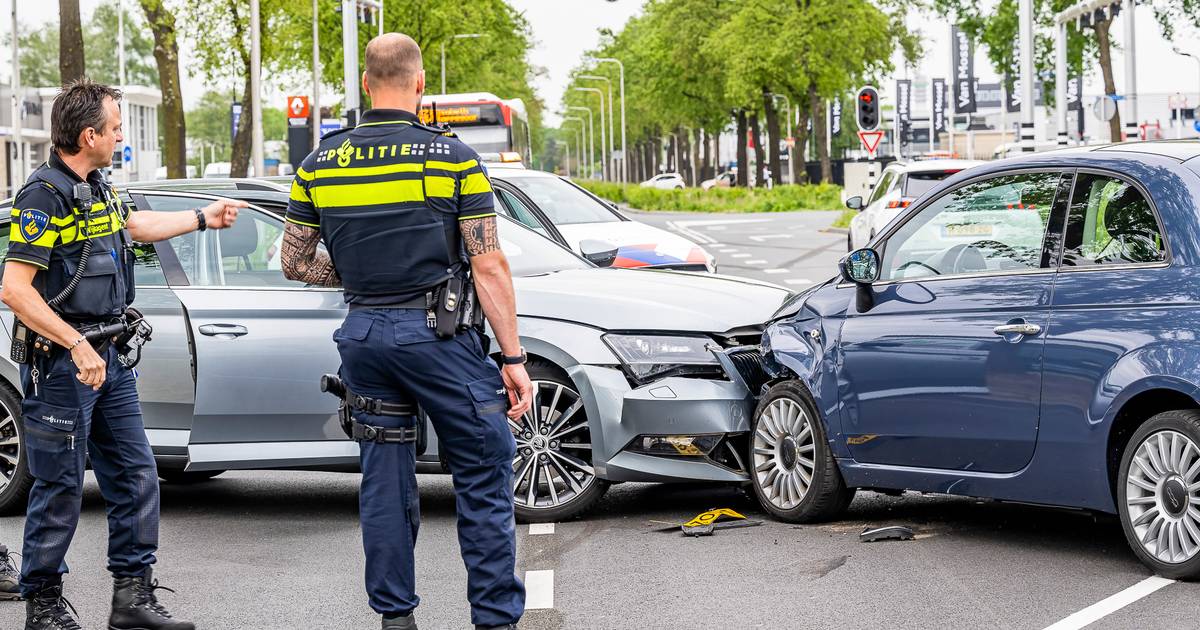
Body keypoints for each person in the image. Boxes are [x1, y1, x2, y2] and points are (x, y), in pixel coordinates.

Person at [281, 33, 532, 630]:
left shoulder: (320, 161)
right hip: (438, 337)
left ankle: (396, 620)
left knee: (384, 483)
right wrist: (513, 356)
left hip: (364, 335)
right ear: (419, 85)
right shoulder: (452, 159)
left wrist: (360, 273)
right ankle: (495, 619)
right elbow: (487, 263)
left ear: (366, 84)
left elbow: (293, 261)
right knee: (483, 466)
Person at [0, 78, 245, 630]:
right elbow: (15, 289)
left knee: (137, 475)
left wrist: (202, 219)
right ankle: (42, 607)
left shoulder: (101, 185)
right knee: (60, 484)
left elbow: (134, 227)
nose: (119, 136)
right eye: (114, 128)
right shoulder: (43, 195)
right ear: (89, 135)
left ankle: (130, 600)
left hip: (109, 357)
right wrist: (77, 344)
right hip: (65, 363)